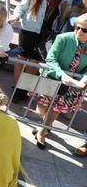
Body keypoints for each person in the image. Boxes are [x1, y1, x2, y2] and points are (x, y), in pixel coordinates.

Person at [36, 15, 87, 154]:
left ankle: (42, 130)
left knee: (57, 108)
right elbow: (51, 59)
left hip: (72, 85)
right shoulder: (63, 38)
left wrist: (84, 79)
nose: (79, 31)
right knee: (42, 106)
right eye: (77, 27)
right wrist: (61, 74)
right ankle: (43, 122)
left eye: (84, 29)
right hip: (53, 77)